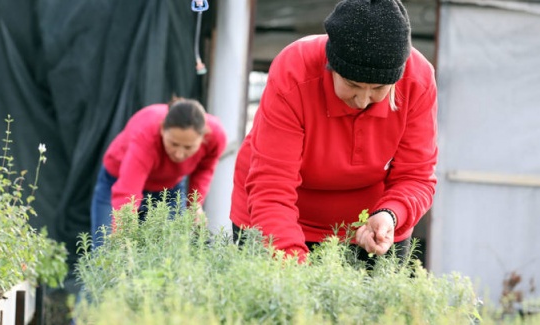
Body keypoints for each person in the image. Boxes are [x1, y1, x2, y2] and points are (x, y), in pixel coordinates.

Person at [230, 0, 438, 263]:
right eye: (352, 84)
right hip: (278, 215)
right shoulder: (294, 70)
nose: (363, 100)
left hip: (368, 229)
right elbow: (272, 185)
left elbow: (417, 175)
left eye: (378, 88)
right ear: (331, 66)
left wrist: (390, 214)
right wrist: (292, 269)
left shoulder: (418, 81)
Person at [91, 97, 227, 248]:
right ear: (162, 129)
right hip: (118, 182)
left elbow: (204, 169)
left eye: (188, 147)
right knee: (108, 250)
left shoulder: (216, 136)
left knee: (167, 251)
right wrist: (122, 233)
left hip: (168, 188)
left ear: (203, 137)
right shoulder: (146, 135)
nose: (179, 154)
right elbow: (128, 191)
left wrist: (194, 204)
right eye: (173, 144)